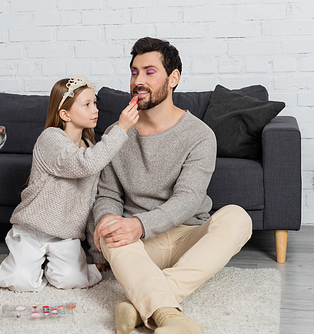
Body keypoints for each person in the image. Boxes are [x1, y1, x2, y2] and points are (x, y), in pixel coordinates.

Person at [88, 37, 252, 334]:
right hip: (140, 244)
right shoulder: (117, 133)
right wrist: (108, 219)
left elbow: (189, 199)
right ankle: (170, 318)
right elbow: (108, 194)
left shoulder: (200, 135)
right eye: (134, 72)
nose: (139, 80)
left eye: (150, 72)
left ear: (173, 78)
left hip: (190, 234)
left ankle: (143, 304)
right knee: (109, 232)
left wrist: (139, 223)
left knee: (238, 218)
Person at [0, 76, 139, 291]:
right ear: (65, 114)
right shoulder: (50, 138)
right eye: (87, 104)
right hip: (32, 230)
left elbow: (91, 202)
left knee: (73, 280)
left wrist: (96, 253)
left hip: (65, 235)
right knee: (19, 281)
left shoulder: (91, 147)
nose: (95, 110)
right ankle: (31, 263)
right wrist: (122, 128)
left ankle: (51, 263)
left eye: (95, 103)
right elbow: (82, 164)